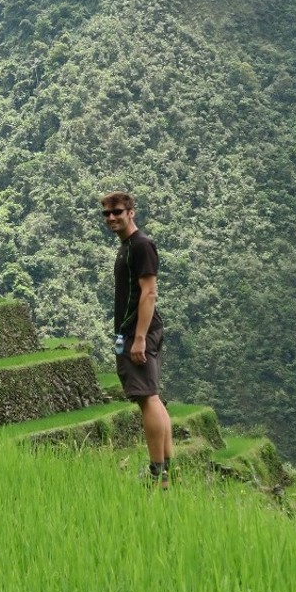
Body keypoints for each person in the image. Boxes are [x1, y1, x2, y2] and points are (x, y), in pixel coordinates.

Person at [101, 191, 172, 489]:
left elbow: (149, 293)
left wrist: (139, 338)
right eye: (106, 214)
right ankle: (166, 470)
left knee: (148, 398)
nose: (111, 217)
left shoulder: (141, 245)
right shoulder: (127, 246)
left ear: (132, 212)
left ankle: (158, 474)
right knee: (151, 397)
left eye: (117, 211)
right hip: (133, 332)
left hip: (137, 332)